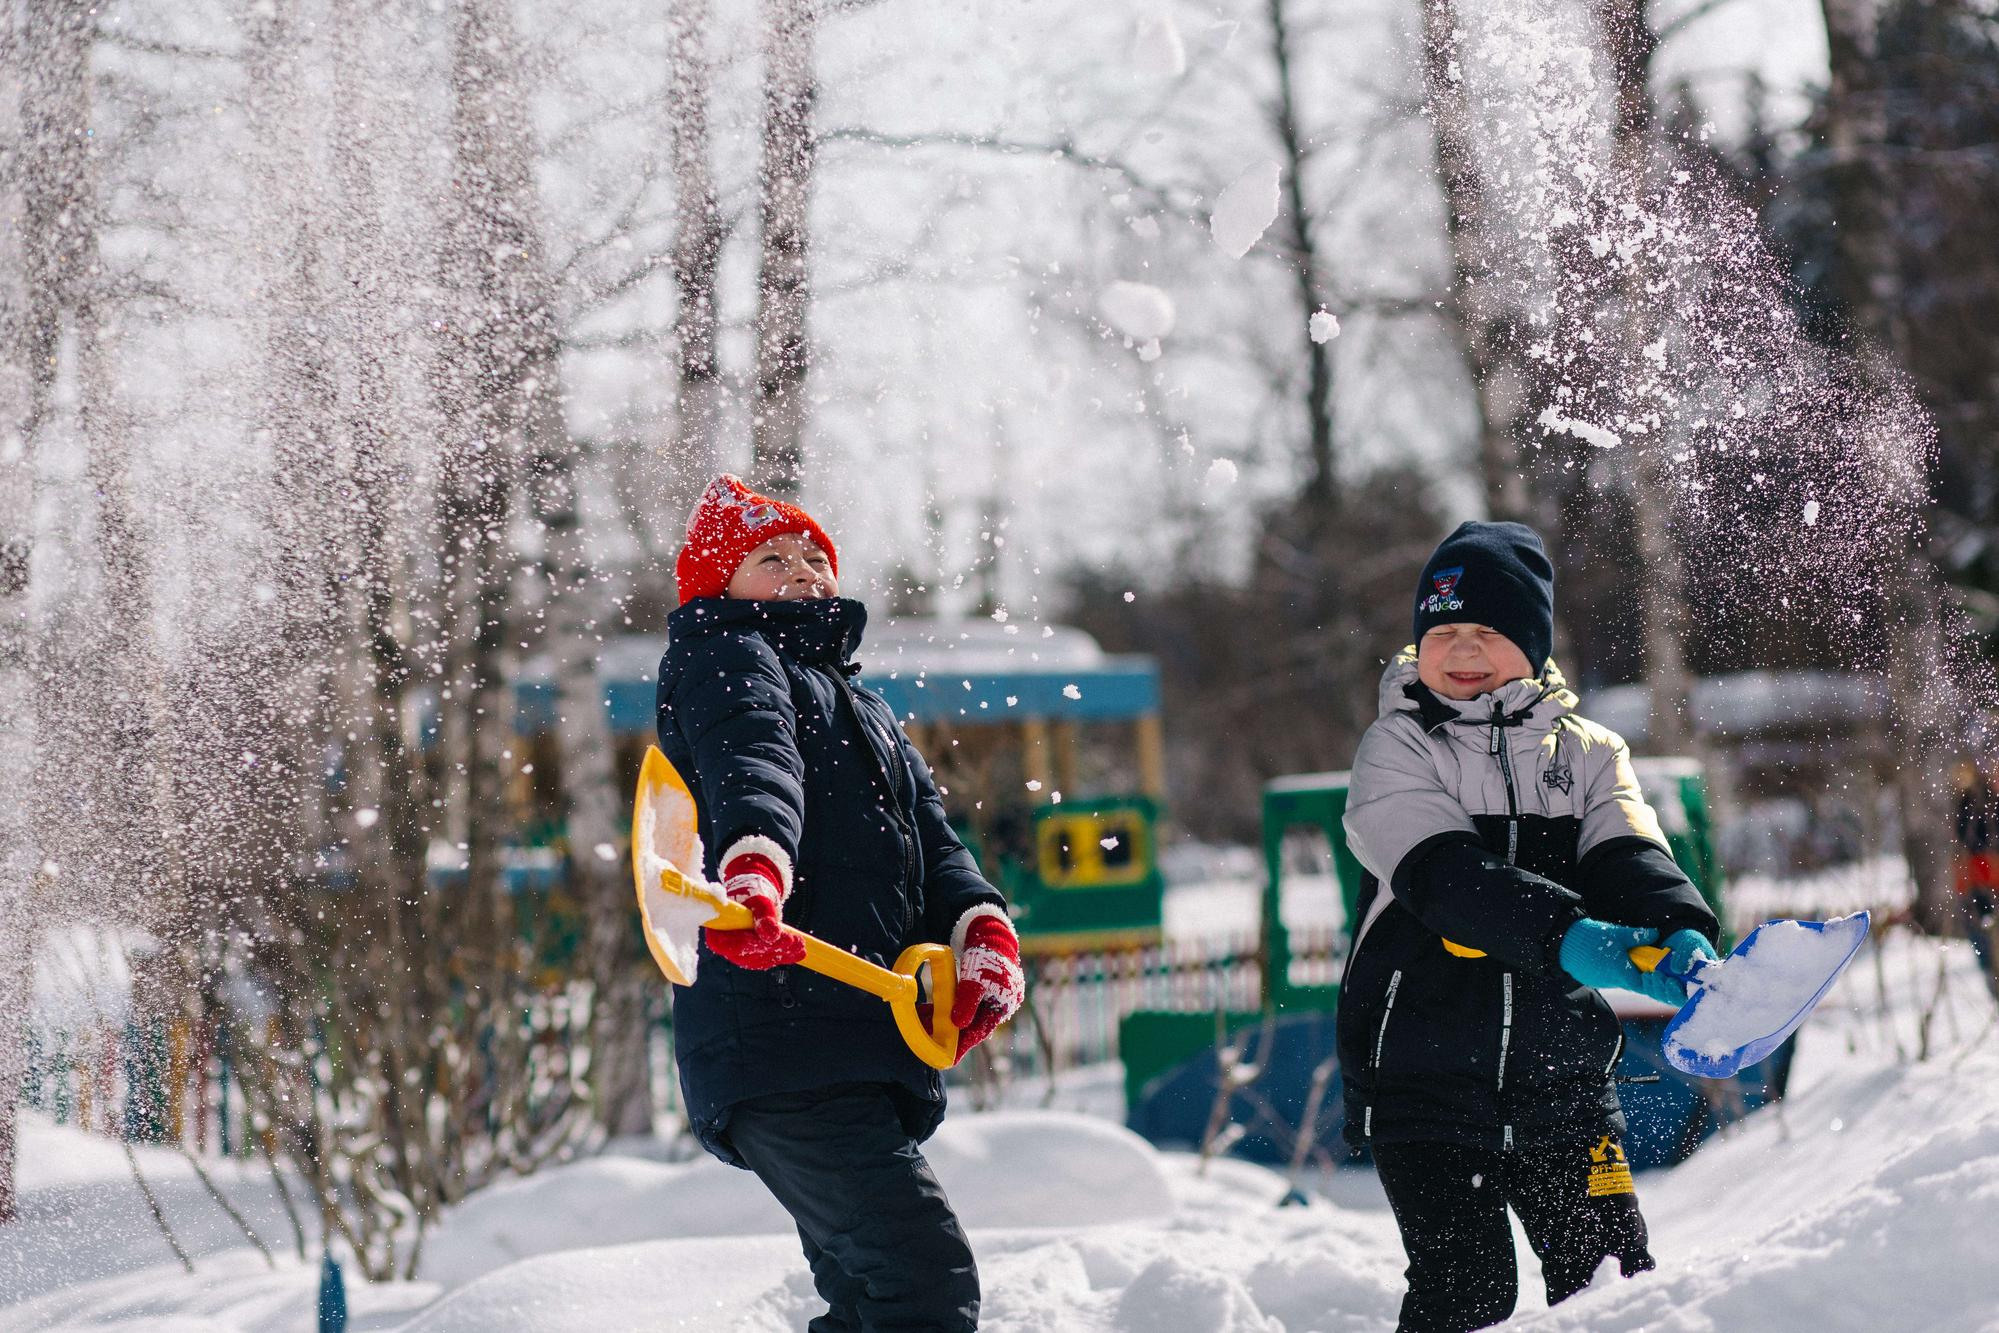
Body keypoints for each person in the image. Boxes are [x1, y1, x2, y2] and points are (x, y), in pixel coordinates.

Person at [655, 474, 1023, 1332]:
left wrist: (980, 928)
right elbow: (756, 764)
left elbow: (933, 840)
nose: (802, 574)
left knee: (873, 1298)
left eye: (814, 558)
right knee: (922, 1283)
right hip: (781, 1030)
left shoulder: (863, 704)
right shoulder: (726, 655)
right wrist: (754, 868)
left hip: (848, 1032)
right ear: (717, 587)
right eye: (770, 559)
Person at [1337, 520, 1722, 1333]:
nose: (1462, 648)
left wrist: (1675, 925)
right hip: (1424, 1078)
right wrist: (1572, 937)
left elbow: (1625, 847)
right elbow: (1448, 879)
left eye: (1487, 630)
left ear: (1533, 642)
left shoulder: (1589, 752)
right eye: (1442, 630)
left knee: (1612, 1281)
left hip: (1564, 1077)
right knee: (1467, 1293)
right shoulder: (1397, 748)